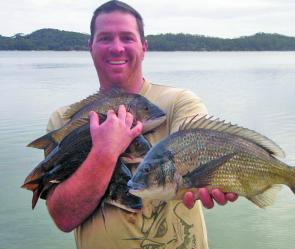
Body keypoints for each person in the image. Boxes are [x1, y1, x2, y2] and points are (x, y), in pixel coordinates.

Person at [45, 1, 238, 248]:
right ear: (90, 47)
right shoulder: (64, 122)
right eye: (105, 38)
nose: (116, 48)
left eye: (127, 37)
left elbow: (200, 151)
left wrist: (220, 180)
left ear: (143, 47)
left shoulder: (178, 103)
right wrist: (105, 151)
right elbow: (63, 217)